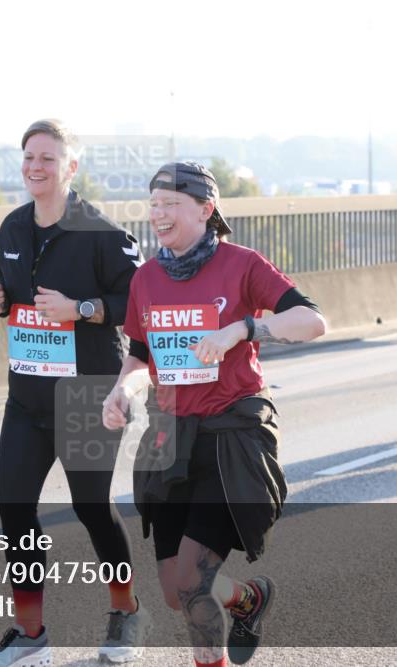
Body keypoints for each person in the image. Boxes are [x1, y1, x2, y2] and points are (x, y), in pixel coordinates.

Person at [103, 162, 326, 667]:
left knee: (192, 582)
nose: (158, 215)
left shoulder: (241, 264)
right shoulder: (147, 278)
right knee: (173, 591)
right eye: (153, 206)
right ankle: (250, 599)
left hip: (231, 433)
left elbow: (312, 321)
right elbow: (141, 356)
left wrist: (242, 329)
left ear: (205, 210)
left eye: (171, 205)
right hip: (171, 434)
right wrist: (123, 391)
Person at [0, 120, 150, 666]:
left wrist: (83, 309)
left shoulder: (100, 233)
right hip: (26, 396)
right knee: (13, 506)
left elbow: (137, 306)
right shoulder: (10, 228)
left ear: (70, 168)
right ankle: (31, 638)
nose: (35, 167)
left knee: (91, 506)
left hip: (87, 395)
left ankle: (126, 612)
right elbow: (22, 300)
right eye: (29, 157)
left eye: (48, 158)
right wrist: (0, 299)